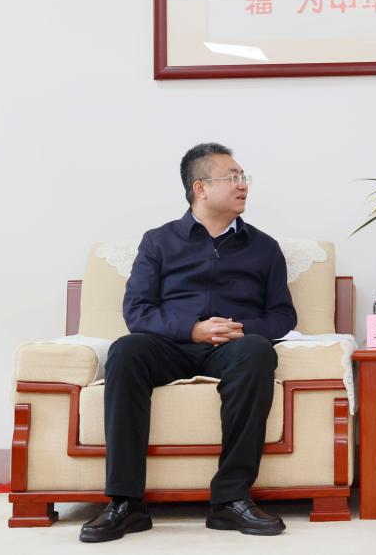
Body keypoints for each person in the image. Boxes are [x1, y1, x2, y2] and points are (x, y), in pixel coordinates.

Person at [80, 143, 296, 543]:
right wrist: (192, 330)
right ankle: (126, 502)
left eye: (244, 177)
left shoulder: (264, 247)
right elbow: (137, 311)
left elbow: (283, 316)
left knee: (257, 352)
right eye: (232, 177)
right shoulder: (158, 241)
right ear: (200, 187)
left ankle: (230, 500)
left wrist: (240, 329)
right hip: (170, 346)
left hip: (233, 348)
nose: (243, 185)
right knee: (125, 350)